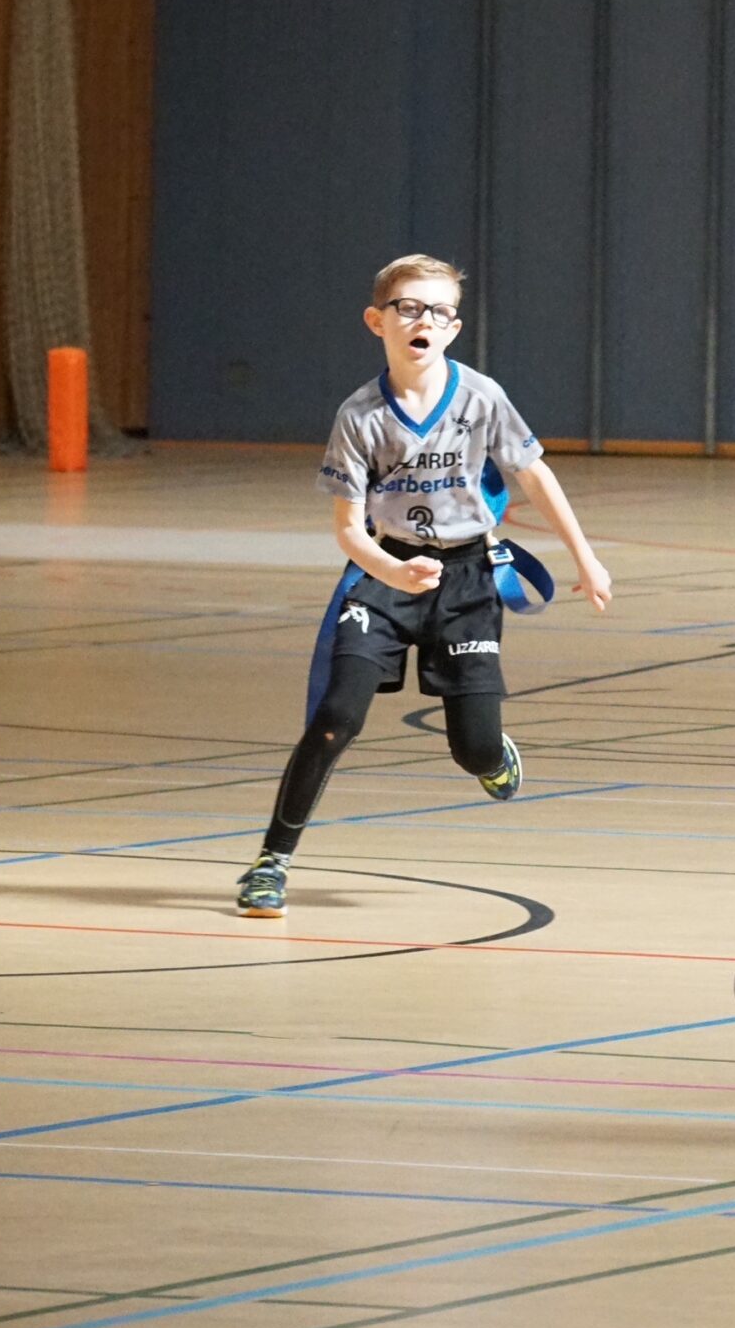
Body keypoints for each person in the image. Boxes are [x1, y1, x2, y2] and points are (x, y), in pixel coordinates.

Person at [234, 254, 610, 919]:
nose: (423, 320)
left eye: (438, 311)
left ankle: (494, 753)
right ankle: (271, 862)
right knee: (335, 717)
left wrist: (585, 556)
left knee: (473, 747)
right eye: (409, 307)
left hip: (465, 579)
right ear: (377, 320)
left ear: (454, 327)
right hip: (383, 573)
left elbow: (534, 476)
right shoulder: (359, 416)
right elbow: (349, 529)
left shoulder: (481, 397)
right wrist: (390, 570)